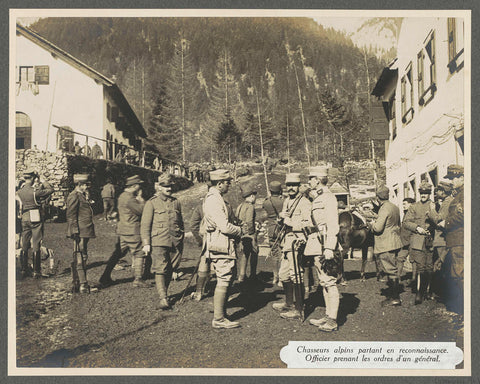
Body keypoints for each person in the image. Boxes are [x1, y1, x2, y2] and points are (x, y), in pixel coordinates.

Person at [203, 169, 243, 328]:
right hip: (220, 244)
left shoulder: (217, 197)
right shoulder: (214, 200)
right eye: (227, 182)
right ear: (219, 184)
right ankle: (219, 319)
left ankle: (221, 315)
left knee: (228, 277)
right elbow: (224, 227)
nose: (229, 185)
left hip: (223, 243)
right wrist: (240, 231)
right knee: (224, 278)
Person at [141, 173, 184, 309]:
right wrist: (146, 243)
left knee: (171, 268)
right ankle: (163, 298)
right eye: (165, 186)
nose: (168, 189)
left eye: (170, 186)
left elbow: (180, 222)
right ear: (159, 187)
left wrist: (181, 236)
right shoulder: (151, 203)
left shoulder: (176, 202)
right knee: (161, 268)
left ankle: (164, 292)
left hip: (175, 240)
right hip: (158, 240)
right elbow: (145, 225)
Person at [273, 173, 312, 320]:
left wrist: (291, 223)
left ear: (299, 186)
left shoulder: (305, 202)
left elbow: (309, 224)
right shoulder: (287, 201)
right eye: (288, 185)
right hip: (286, 242)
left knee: (296, 274)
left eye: (294, 185)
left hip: (297, 241)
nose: (291, 188)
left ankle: (299, 309)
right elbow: (284, 220)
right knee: (284, 275)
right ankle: (289, 303)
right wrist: (280, 219)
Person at [306, 166, 341, 332]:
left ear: (317, 180)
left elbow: (333, 224)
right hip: (317, 243)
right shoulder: (318, 197)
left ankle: (333, 320)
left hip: (325, 244)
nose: (308, 181)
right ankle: (328, 315)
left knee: (329, 281)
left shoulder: (328, 197)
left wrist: (329, 247)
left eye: (310, 178)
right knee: (324, 282)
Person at [100, 175, 148, 288]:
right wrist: (141, 200)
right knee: (139, 252)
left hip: (123, 230)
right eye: (139, 185)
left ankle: (105, 276)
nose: (140, 187)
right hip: (132, 230)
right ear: (134, 186)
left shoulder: (122, 196)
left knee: (118, 253)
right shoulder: (130, 199)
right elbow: (142, 211)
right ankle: (138, 279)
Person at [403, 181, 437, 305]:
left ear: (429, 194)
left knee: (430, 267)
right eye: (421, 193)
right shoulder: (414, 207)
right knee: (420, 267)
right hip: (418, 241)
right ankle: (419, 293)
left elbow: (440, 220)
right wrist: (417, 228)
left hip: (431, 241)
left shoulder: (434, 206)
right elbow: (406, 222)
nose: (423, 195)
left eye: (426, 193)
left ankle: (429, 290)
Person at [370, 185, 403, 306]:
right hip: (394, 241)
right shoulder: (395, 207)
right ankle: (393, 296)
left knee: (390, 270)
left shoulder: (383, 209)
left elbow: (378, 228)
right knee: (392, 269)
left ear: (378, 198)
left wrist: (372, 225)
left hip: (385, 243)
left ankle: (395, 298)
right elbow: (397, 224)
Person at [16, 170, 54, 278]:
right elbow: (50, 190)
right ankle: (36, 271)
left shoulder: (20, 191)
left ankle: (24, 269)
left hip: (24, 216)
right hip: (34, 216)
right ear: (33, 178)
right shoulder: (34, 191)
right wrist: (43, 180)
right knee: (36, 242)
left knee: (25, 242)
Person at [440, 164, 464, 314]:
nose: (452, 181)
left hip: (459, 240)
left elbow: (463, 215)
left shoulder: (464, 194)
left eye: (454, 178)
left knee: (460, 275)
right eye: (450, 178)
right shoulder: (459, 194)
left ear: (462, 177)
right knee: (457, 275)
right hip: (456, 241)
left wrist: (446, 223)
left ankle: (465, 313)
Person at [66, 173, 95, 293]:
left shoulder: (81, 195)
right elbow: (71, 215)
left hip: (85, 230)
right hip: (80, 231)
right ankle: (83, 285)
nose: (87, 187)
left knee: (82, 255)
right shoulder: (74, 196)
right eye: (85, 185)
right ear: (79, 184)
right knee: (80, 256)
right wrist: (75, 231)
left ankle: (77, 282)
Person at [262, 181, 284, 285]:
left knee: (274, 253)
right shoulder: (283, 201)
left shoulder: (267, 201)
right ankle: (283, 275)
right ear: (280, 190)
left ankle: (275, 276)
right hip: (282, 228)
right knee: (284, 252)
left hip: (271, 228)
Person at [236, 186, 258, 283]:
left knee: (244, 254)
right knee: (254, 253)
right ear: (252, 196)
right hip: (249, 234)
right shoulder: (250, 207)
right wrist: (253, 234)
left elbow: (236, 219)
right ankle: (253, 275)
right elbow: (249, 221)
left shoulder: (240, 206)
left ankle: (241, 276)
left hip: (241, 233)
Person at [398, 197, 415, 283]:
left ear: (411, 204)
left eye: (405, 204)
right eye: (403, 204)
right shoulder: (405, 213)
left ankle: (414, 279)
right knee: (400, 258)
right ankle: (397, 278)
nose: (403, 206)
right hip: (404, 241)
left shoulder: (414, 214)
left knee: (413, 261)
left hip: (412, 240)